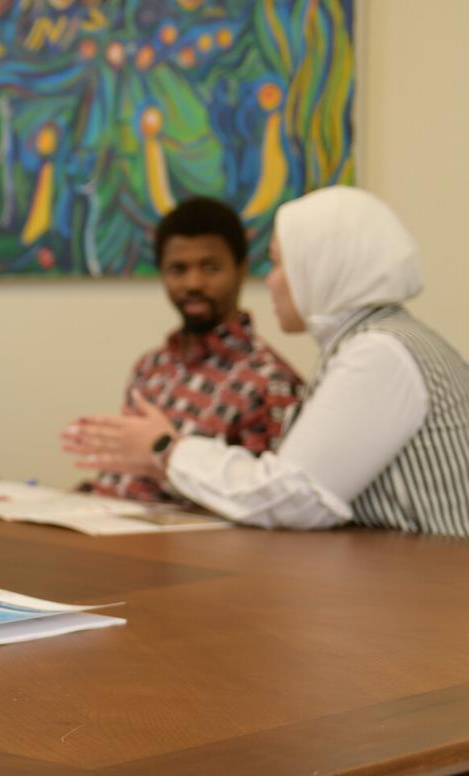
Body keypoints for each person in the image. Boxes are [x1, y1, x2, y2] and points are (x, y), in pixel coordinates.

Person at [63, 186, 469, 536]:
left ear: (323, 267)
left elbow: (295, 497)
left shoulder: (380, 352)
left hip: (431, 591)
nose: (271, 281)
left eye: (279, 263)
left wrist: (166, 450)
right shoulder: (377, 343)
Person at [75, 196, 303, 502]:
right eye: (177, 269)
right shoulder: (151, 367)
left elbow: (268, 503)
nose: (193, 283)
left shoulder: (270, 382)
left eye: (210, 268)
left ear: (241, 269)